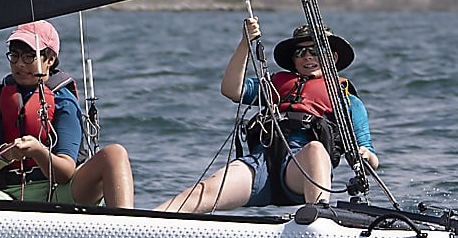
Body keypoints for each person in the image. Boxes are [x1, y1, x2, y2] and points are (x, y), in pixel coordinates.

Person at [154, 16, 377, 213]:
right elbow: (232, 89)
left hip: (302, 173)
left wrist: (364, 155)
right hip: (261, 163)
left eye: (315, 50)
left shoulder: (348, 101)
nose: (308, 56)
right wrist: (245, 43)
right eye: (301, 52)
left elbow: (371, 157)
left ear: (333, 57)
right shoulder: (276, 86)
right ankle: (146, 223)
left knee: (315, 150)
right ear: (294, 60)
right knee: (204, 192)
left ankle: (318, 218)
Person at [0, 20, 134, 208]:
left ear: (50, 59)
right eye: (14, 56)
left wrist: (38, 152)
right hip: (6, 196)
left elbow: (65, 172)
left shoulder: (64, 101)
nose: (20, 64)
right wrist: (8, 153)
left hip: (61, 193)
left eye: (30, 56)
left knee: (114, 154)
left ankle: (124, 226)